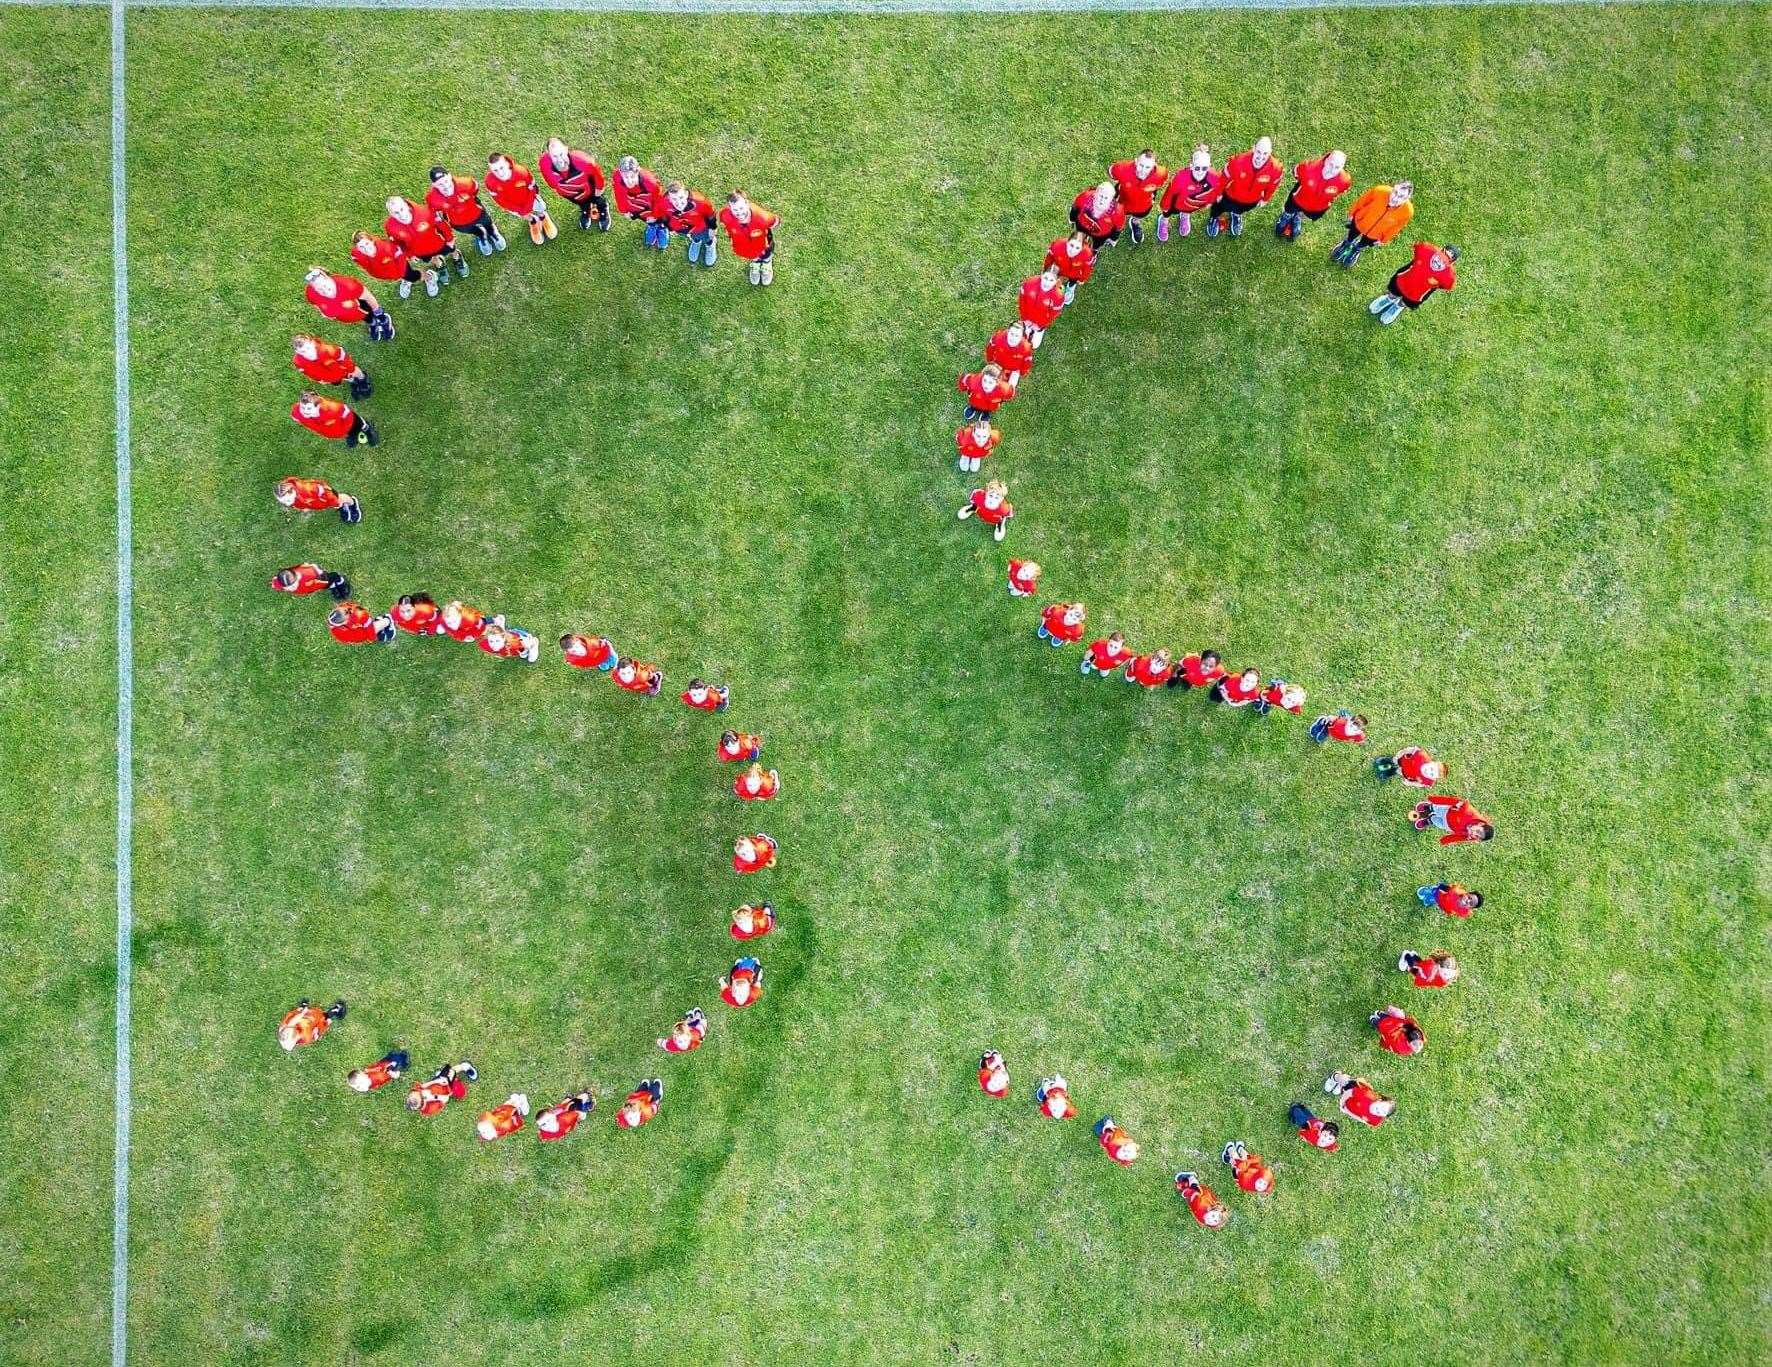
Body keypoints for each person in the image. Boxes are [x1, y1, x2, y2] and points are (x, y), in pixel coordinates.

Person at [1209, 137, 1284, 238]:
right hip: (1230, 195)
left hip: (1251, 200)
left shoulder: (1276, 169)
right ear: (1254, 148)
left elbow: (1273, 186)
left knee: (1240, 210)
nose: (1260, 157)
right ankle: (1214, 218)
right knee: (1218, 208)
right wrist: (1218, 192)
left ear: (1270, 152)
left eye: (1265, 153)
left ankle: (1236, 215)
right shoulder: (1237, 161)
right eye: (1258, 151)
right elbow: (1223, 178)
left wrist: (1266, 199)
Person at [383, 193, 463, 283]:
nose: (401, 215)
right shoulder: (390, 227)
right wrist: (410, 255)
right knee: (431, 258)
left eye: (401, 209)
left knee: (451, 249)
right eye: (396, 213)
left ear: (406, 205)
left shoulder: (425, 211)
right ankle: (439, 263)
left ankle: (457, 256)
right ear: (391, 214)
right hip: (420, 252)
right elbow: (398, 244)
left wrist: (450, 239)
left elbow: (442, 225)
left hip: (438, 244)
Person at [1274, 149, 1351, 242]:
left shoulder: (1345, 181)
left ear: (1342, 167)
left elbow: (1341, 191)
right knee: (1290, 209)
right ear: (1326, 160)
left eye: (1337, 167)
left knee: (1305, 215)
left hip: (1318, 208)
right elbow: (1296, 172)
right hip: (1298, 199)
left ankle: (1297, 218)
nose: (1332, 170)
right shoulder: (1308, 168)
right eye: (1331, 164)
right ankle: (1286, 216)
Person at [1372, 242, 1459, 324]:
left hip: (1417, 294)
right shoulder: (1427, 249)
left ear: (1452, 262)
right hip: (1403, 279)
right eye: (1443, 253)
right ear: (1440, 249)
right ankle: (1388, 299)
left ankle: (1397, 307)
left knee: (1405, 302)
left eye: (1448, 258)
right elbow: (1417, 247)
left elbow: (1447, 285)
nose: (1442, 259)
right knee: (1393, 292)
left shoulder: (1449, 275)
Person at [427, 166, 505, 256]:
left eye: (445, 181)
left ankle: (494, 234)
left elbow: (475, 190)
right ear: (434, 185)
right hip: (458, 223)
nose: (445, 186)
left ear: (449, 176)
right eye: (440, 184)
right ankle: (482, 237)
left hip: (477, 213)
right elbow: (436, 212)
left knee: (488, 224)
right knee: (474, 231)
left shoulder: (466, 183)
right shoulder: (432, 199)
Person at [1332, 182, 1413, 267]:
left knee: (1365, 242)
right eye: (1395, 192)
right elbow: (1361, 202)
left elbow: (1396, 227)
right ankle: (1346, 243)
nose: (1395, 198)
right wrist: (1352, 214)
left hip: (1375, 234)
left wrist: (1384, 239)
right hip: (1361, 221)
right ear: (1392, 189)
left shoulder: (1407, 212)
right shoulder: (1379, 191)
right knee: (1352, 233)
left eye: (1401, 197)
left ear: (1407, 199)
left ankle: (1356, 250)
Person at [486, 151, 557, 246]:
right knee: (524, 215)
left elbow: (532, 188)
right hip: (514, 207)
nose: (500, 172)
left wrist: (528, 205)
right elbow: (499, 200)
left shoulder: (521, 172)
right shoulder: (490, 182)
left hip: (531, 200)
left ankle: (543, 217)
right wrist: (518, 209)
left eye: (501, 167)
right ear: (491, 170)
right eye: (495, 170)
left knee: (540, 207)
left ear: (506, 164)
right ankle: (533, 221)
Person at [303, 267, 393, 340]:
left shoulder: (348, 285)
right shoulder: (310, 293)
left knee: (368, 314)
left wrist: (378, 311)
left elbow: (368, 297)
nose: (324, 290)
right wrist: (324, 313)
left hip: (360, 308)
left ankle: (383, 320)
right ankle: (373, 324)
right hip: (347, 317)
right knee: (368, 319)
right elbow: (314, 303)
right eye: (318, 288)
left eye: (324, 285)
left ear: (327, 277)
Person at [539, 138, 609, 231]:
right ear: (549, 155)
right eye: (554, 156)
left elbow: (598, 176)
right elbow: (550, 181)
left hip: (590, 191)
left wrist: (598, 190)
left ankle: (603, 211)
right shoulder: (544, 163)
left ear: (566, 149)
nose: (559, 160)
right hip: (571, 195)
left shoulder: (584, 161)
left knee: (599, 201)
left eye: (561, 154)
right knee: (582, 204)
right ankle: (586, 211)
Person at [1156, 144, 1223, 241]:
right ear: (1191, 165)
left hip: (1194, 205)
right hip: (1176, 204)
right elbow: (1169, 193)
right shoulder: (1180, 177)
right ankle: (1164, 220)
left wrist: (1209, 202)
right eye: (1197, 168)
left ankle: (1185, 215)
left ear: (1209, 166)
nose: (1200, 171)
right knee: (1168, 213)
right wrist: (1165, 206)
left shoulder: (1214, 177)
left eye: (1204, 168)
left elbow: (1216, 191)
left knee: (1188, 211)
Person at [719, 191, 779, 287]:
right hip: (744, 245)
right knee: (753, 256)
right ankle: (755, 264)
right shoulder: (725, 215)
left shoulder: (762, 217)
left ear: (747, 204)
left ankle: (766, 265)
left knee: (766, 255)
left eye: (741, 208)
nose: (739, 212)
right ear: (729, 208)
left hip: (764, 244)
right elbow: (725, 225)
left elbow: (775, 221)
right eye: (735, 209)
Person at [350, 227, 428, 301]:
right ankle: (406, 279)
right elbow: (364, 265)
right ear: (358, 248)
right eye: (361, 247)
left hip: (401, 269)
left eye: (367, 244)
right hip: (389, 274)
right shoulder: (356, 255)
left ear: (372, 241)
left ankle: (428, 276)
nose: (366, 249)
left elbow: (400, 256)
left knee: (412, 277)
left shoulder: (386, 248)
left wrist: (401, 274)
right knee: (406, 277)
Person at [651, 181, 718, 265]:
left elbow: (710, 214)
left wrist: (713, 228)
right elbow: (663, 215)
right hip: (683, 229)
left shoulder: (700, 201)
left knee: (706, 237)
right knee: (694, 237)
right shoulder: (664, 202)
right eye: (674, 199)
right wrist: (670, 227)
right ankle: (696, 242)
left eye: (681, 197)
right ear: (669, 198)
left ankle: (710, 244)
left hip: (701, 228)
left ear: (686, 194)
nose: (678, 203)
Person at [1109, 150, 1168, 245]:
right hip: (1122, 202)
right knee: (1116, 218)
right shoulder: (1121, 168)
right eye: (1141, 165)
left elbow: (1161, 182)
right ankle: (1113, 229)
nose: (1143, 170)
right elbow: (1111, 172)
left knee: (1140, 216)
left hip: (1144, 205)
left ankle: (1135, 222)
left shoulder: (1161, 174)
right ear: (1136, 161)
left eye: (1147, 167)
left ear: (1153, 166)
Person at [293, 334, 371, 401]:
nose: (308, 353)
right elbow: (306, 372)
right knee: (345, 378)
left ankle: (362, 379)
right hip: (330, 377)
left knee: (355, 372)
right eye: (303, 352)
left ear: (312, 343)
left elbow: (343, 358)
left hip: (342, 369)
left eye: (308, 348)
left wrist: (351, 369)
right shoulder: (298, 362)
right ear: (297, 352)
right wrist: (318, 379)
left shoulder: (328, 350)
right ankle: (354, 381)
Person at [291, 391, 378, 448]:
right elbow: (295, 416)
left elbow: (349, 414)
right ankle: (351, 436)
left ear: (318, 406)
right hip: (331, 432)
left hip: (346, 425)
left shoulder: (332, 409)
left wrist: (348, 429)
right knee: (348, 435)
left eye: (309, 409)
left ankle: (367, 429)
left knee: (356, 425)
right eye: (303, 407)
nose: (305, 411)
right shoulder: (297, 411)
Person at [1411, 794, 1494, 845]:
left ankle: (1430, 820)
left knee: (1437, 822)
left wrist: (1446, 840)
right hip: (1446, 812)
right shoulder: (1468, 812)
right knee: (1437, 809)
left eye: (1477, 836)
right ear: (1480, 824)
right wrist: (1433, 799)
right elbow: (1456, 801)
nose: (1474, 833)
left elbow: (1459, 838)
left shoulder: (1471, 836)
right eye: (1478, 831)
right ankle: (1429, 807)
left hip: (1447, 826)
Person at [1017, 265, 1066, 348]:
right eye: (1046, 278)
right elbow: (1022, 302)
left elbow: (1053, 314)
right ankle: (1026, 328)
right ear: (1042, 275)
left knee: (1035, 345)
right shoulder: (1029, 284)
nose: (1047, 283)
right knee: (1023, 333)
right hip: (1026, 317)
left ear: (1056, 281)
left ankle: (1038, 332)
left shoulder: (1058, 296)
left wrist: (1040, 325)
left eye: (1051, 280)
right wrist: (1024, 318)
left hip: (1040, 322)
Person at [612, 155, 663, 235]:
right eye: (626, 177)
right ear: (621, 173)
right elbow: (618, 195)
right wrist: (624, 211)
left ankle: (662, 228)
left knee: (659, 220)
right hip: (634, 209)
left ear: (637, 171)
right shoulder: (617, 178)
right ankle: (651, 227)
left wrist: (655, 215)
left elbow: (658, 201)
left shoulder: (650, 183)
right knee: (645, 219)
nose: (629, 181)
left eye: (632, 176)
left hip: (650, 208)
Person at [274, 477, 361, 523]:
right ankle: (342, 506)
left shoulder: (308, 489)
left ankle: (352, 503)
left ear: (292, 491)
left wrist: (335, 502)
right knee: (337, 504)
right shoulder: (293, 497)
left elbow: (325, 491)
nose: (288, 504)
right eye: (284, 502)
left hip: (328, 497)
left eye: (288, 501)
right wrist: (304, 507)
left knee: (340, 499)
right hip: (317, 502)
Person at [1325, 1071, 1395, 1127]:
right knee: (1345, 1082)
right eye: (1382, 1107)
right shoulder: (1366, 1095)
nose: (1380, 1110)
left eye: (1384, 1113)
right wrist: (1342, 1103)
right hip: (1353, 1088)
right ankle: (1335, 1076)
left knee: (1342, 1091)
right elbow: (1349, 1093)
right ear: (1380, 1100)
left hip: (1354, 1102)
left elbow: (1363, 1119)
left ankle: (1340, 1088)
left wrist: (1347, 1111)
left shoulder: (1376, 1121)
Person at [406, 1061, 476, 1116]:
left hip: (438, 1083)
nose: (419, 1091)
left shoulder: (416, 1092)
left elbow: (423, 1085)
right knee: (461, 1094)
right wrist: (433, 1097)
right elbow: (445, 1099)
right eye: (420, 1093)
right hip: (447, 1089)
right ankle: (452, 1079)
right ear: (422, 1101)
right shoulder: (429, 1109)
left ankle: (465, 1066)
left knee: (451, 1072)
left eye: (418, 1092)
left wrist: (438, 1080)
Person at [1070, 181, 1125, 250]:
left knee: (1096, 245)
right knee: (1079, 238)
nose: (1102, 200)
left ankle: (1094, 251)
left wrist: (1113, 239)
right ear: (1096, 193)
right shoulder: (1085, 197)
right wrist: (1072, 219)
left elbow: (1117, 228)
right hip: (1082, 225)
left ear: (1111, 199)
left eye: (1106, 198)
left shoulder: (1118, 211)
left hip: (1101, 235)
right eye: (1101, 195)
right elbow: (1075, 208)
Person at [1045, 231, 1095, 306]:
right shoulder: (1058, 245)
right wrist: (1046, 270)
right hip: (1060, 268)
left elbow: (1087, 268)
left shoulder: (1087, 254)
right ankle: (1053, 290)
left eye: (1077, 247)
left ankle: (1070, 288)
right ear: (1068, 241)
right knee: (1055, 280)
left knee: (1073, 281)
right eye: (1071, 245)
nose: (1072, 250)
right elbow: (1049, 258)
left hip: (1075, 273)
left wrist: (1082, 279)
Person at [277, 998, 345, 1051]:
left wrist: (302, 1012)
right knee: (321, 1022)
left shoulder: (287, 1027)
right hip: (308, 1026)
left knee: (312, 1017)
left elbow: (293, 1020)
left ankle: (303, 1007)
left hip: (304, 1021)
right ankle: (333, 1013)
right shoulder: (305, 1036)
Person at [984, 322, 1033, 389]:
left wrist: (1022, 372)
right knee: (990, 383)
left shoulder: (1026, 348)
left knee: (1010, 388)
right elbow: (990, 349)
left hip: (1014, 369)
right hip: (998, 363)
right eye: (1012, 334)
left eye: (1017, 336)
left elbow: (1027, 363)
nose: (1013, 338)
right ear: (1007, 331)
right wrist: (989, 359)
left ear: (1022, 337)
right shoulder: (997, 337)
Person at [327, 601, 395, 645]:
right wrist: (372, 637)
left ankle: (380, 631)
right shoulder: (358, 615)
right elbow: (370, 631)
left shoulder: (334, 626)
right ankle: (388, 623)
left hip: (355, 632)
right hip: (362, 634)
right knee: (385, 621)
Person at [270, 563, 349, 600]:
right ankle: (332, 585)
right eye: (288, 587)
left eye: (292, 585)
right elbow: (276, 583)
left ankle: (340, 582)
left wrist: (323, 580)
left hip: (319, 581)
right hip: (309, 587)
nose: (291, 588)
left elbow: (313, 568)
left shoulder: (307, 574)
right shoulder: (280, 583)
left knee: (330, 580)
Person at [1376, 745, 1443, 787]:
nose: (1428, 771)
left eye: (1431, 774)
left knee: (1400, 771)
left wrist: (1410, 783)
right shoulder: (1422, 756)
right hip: (1404, 761)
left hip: (1409, 774)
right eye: (1431, 768)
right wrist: (1400, 754)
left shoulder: (1429, 781)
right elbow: (1411, 750)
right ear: (1432, 763)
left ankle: (1392, 771)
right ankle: (1389, 760)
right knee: (1395, 761)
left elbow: (1420, 784)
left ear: (1433, 778)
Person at [1417, 882, 1482, 918]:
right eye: (1469, 897)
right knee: (1435, 893)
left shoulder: (1464, 911)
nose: (1468, 901)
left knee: (1438, 902)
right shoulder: (1455, 891)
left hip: (1446, 905)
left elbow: (1453, 912)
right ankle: (1429, 891)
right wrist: (1438, 887)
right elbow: (1444, 887)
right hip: (1442, 895)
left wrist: (1445, 911)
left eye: (1471, 903)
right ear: (1466, 893)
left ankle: (1433, 900)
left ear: (1470, 908)